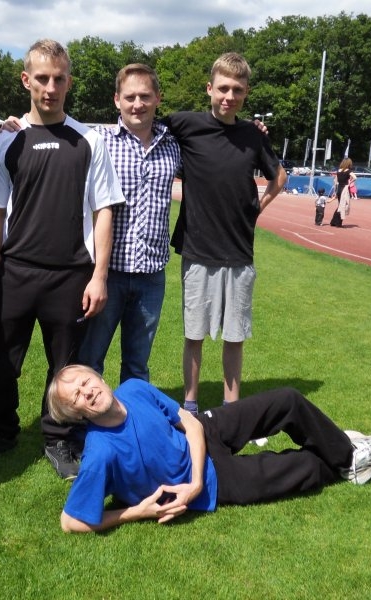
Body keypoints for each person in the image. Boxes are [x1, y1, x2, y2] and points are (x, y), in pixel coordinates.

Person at [0, 39, 125, 480]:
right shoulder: (6, 143)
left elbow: (104, 210)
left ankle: (57, 438)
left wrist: (99, 276)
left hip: (71, 277)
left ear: (69, 82)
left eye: (58, 79)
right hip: (13, 273)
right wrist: (1, 267)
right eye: (42, 78)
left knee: (65, 370)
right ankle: (2, 433)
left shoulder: (89, 140)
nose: (50, 87)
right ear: (26, 80)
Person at [46, 364, 371, 533]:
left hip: (205, 434)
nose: (87, 392)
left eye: (85, 381)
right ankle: (341, 454)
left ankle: (347, 454)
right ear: (77, 414)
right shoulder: (100, 453)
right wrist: (137, 512)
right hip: (212, 482)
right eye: (76, 396)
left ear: (99, 377)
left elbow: (188, 423)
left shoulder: (134, 389)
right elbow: (70, 521)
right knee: (305, 470)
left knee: (287, 400)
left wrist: (195, 479)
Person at [161, 53, 287, 416]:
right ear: (209, 88)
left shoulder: (252, 135)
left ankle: (232, 409)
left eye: (237, 90)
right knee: (194, 335)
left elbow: (279, 176)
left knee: (234, 336)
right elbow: (140, 121)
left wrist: (258, 207)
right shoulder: (185, 124)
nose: (229, 96)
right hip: (198, 249)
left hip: (239, 251)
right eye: (223, 88)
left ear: (246, 93)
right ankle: (191, 405)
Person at [76, 64, 182, 384]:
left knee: (137, 366)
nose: (138, 104)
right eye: (130, 97)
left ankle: (132, 416)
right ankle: (86, 416)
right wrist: (17, 126)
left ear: (158, 98)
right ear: (116, 100)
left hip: (151, 275)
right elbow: (55, 134)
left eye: (145, 96)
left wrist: (249, 128)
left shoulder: (174, 145)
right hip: (107, 273)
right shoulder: (98, 140)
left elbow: (215, 140)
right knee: (90, 360)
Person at [330, 157, 356, 227]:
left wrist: (335, 191)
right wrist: (350, 182)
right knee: (343, 206)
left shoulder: (338, 170)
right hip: (344, 189)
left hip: (339, 188)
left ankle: (333, 221)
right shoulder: (348, 171)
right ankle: (338, 223)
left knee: (340, 205)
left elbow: (336, 181)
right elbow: (355, 177)